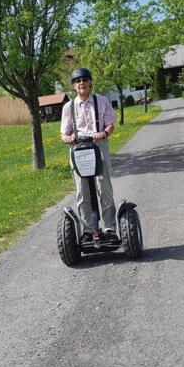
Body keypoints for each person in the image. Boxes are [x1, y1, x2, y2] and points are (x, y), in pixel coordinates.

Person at [60, 67, 118, 244]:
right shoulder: (68, 107)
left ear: (90, 82)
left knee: (104, 188)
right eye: (78, 81)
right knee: (82, 191)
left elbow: (110, 125)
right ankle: (88, 230)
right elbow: (63, 133)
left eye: (84, 80)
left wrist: (104, 134)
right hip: (78, 150)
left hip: (98, 147)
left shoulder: (101, 101)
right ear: (74, 85)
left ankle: (109, 229)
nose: (81, 83)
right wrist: (67, 138)